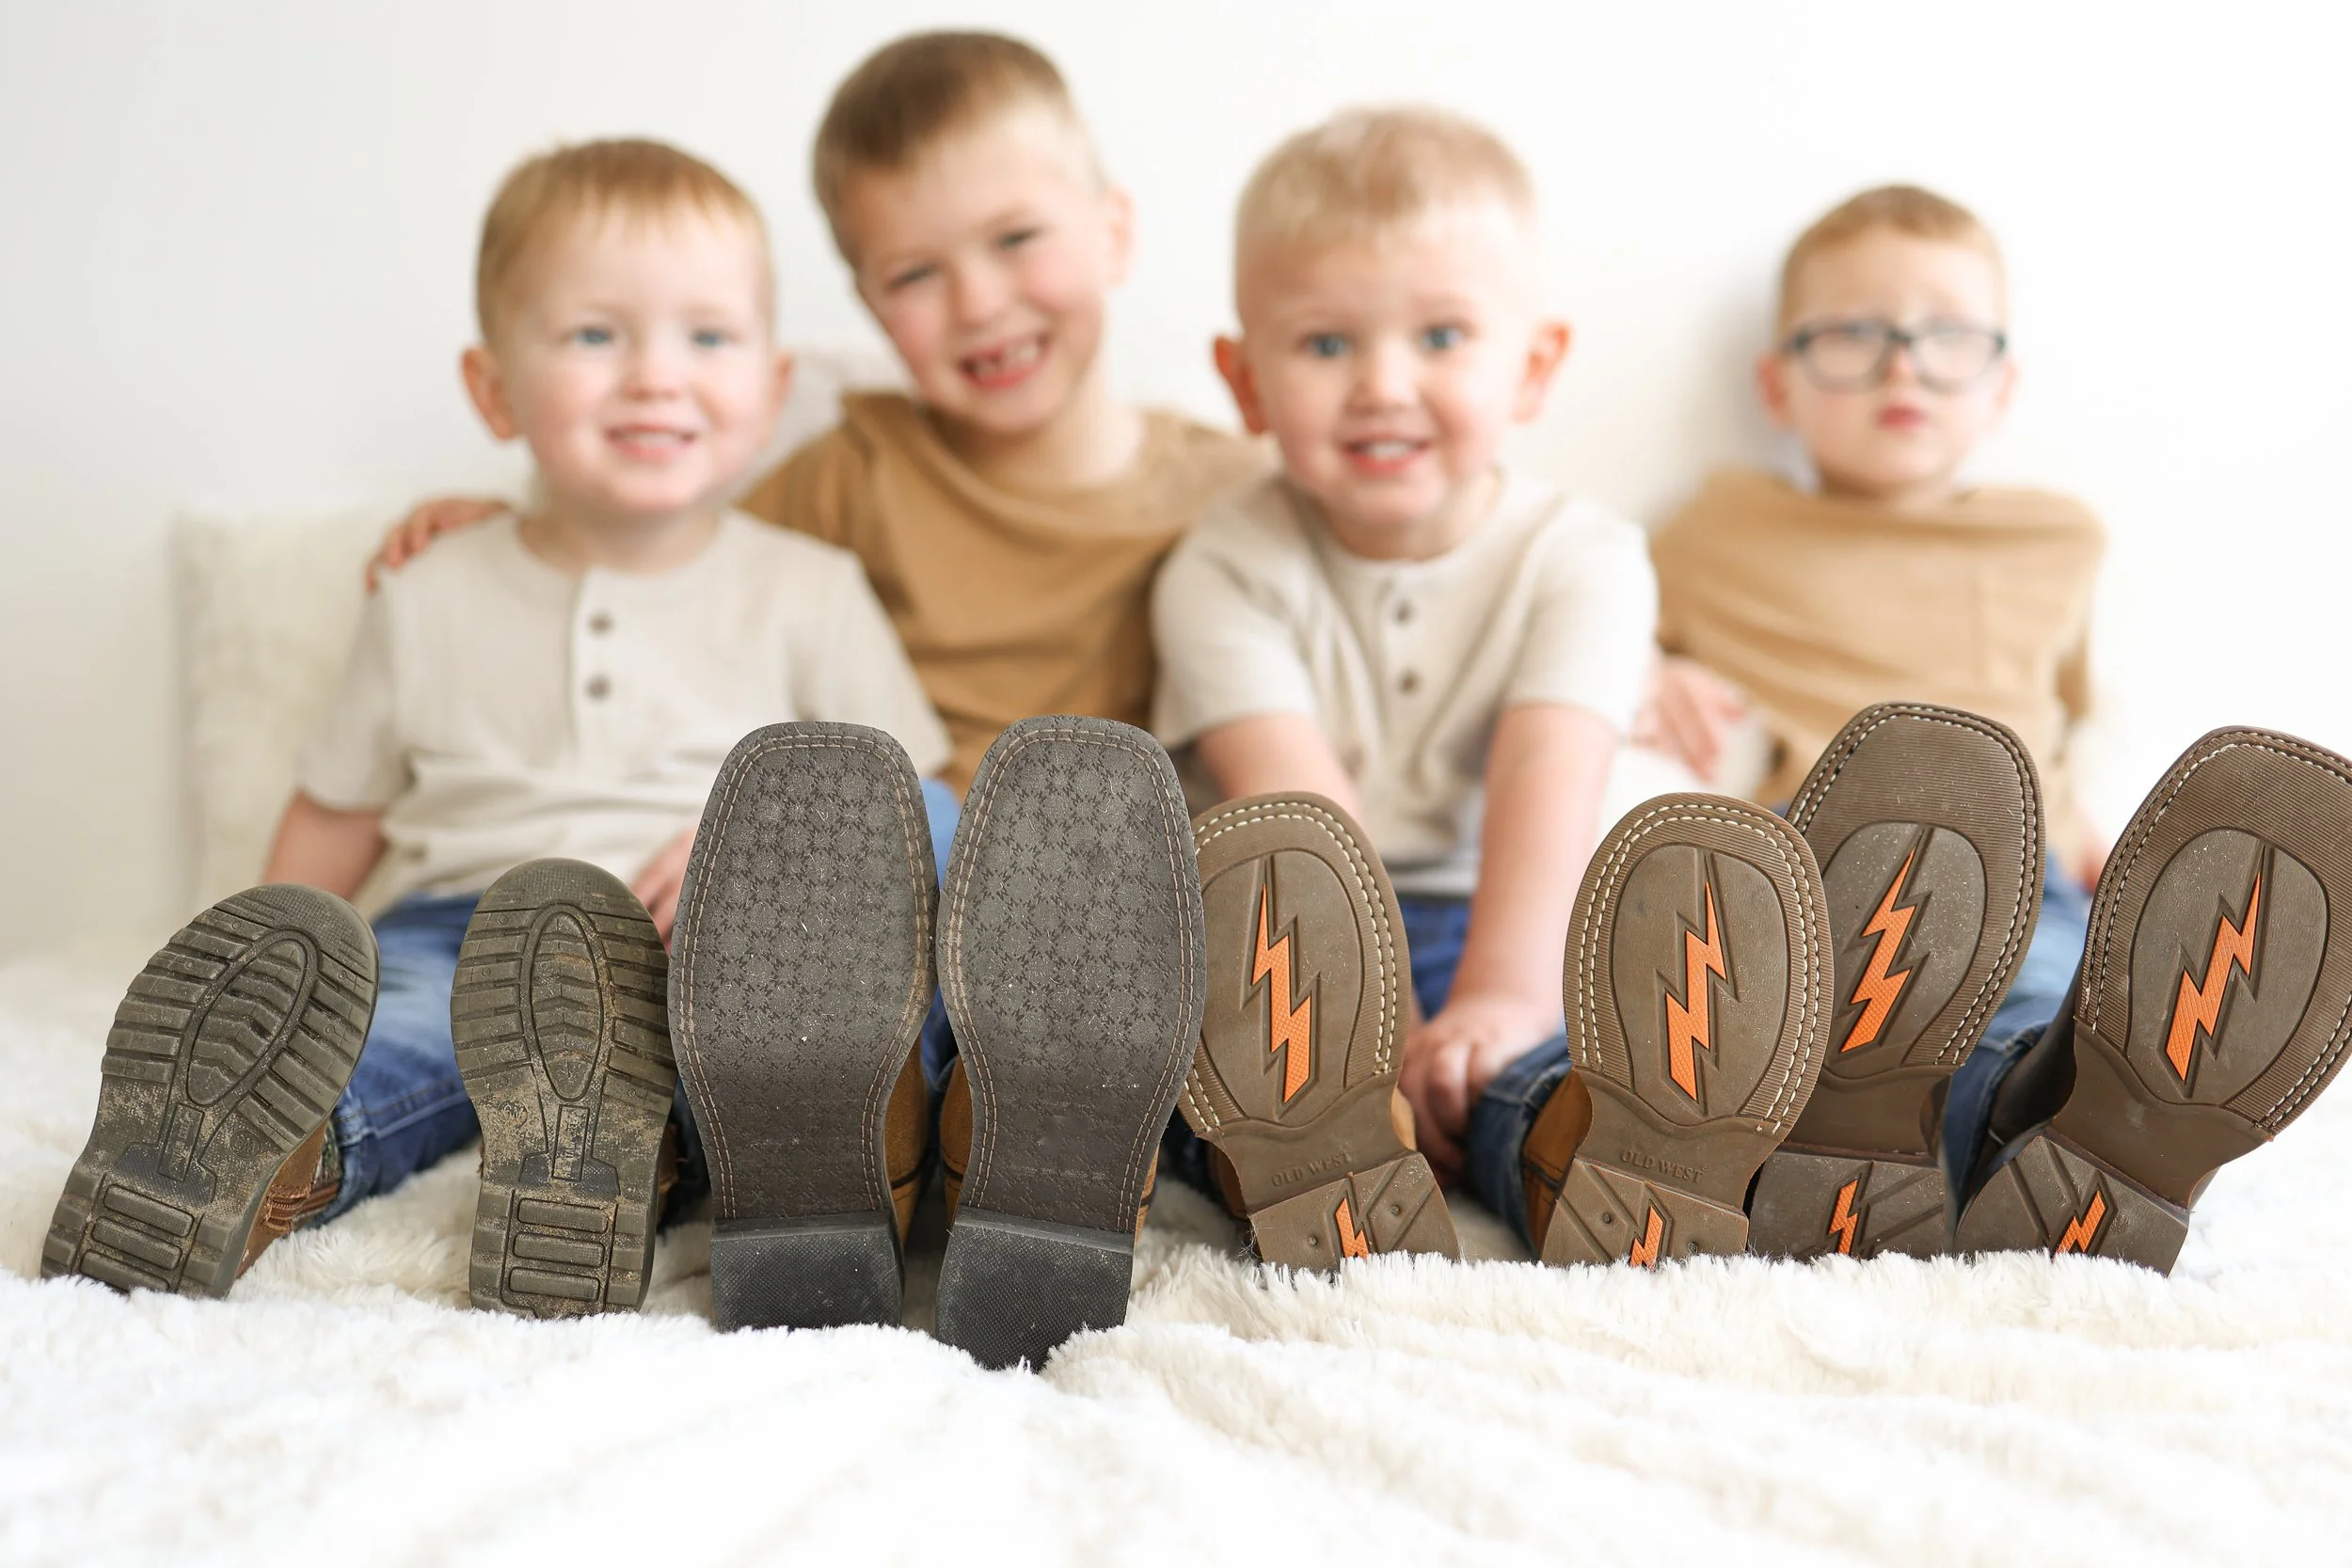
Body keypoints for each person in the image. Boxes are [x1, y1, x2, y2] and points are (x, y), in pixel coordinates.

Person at [41, 138, 947, 1313]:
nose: (653, 376)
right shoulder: (424, 590)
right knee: (378, 1041)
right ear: (492, 389)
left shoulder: (812, 588)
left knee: (734, 1053)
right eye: (593, 336)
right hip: (463, 933)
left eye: (707, 337)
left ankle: (614, 1160)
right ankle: (238, 1155)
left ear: (771, 390)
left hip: (704, 942)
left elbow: (908, 802)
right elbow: (336, 808)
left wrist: (769, 857)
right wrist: (270, 955)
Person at [1148, 106, 1658, 1259]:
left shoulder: (1585, 557)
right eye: (1326, 345)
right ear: (1244, 380)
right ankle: (1311, 1148)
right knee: (1219, 1026)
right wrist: (1382, 1040)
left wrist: (1496, 1003)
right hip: (1303, 922)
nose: (1382, 384)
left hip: (1512, 914)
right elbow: (1299, 804)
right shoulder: (1221, 567)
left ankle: (1589, 1160)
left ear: (1531, 368)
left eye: (1440, 338)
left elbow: (1548, 770)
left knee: (1544, 1050)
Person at [1635, 184, 2106, 1200]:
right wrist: (1647, 668)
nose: (1902, 365)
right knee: (1759, 997)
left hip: (2012, 866)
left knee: (2035, 988)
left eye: (1947, 337)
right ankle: (1813, 1125)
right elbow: (1585, 637)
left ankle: (2034, 1129)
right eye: (1852, 334)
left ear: (2000, 385)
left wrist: (2097, 841)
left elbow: (2064, 721)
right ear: (1777, 385)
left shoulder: (2055, 541)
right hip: (1802, 862)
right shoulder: (1718, 527)